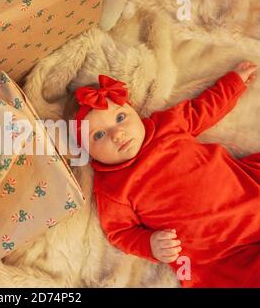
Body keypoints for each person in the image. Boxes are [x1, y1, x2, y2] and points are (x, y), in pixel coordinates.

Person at [74, 61, 259, 287]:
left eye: (121, 118)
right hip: (217, 254)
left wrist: (234, 83)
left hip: (249, 195)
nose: (118, 134)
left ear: (133, 111)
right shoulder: (111, 188)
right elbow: (120, 232)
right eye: (99, 135)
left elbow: (205, 108)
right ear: (87, 152)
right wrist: (150, 244)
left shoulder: (167, 125)